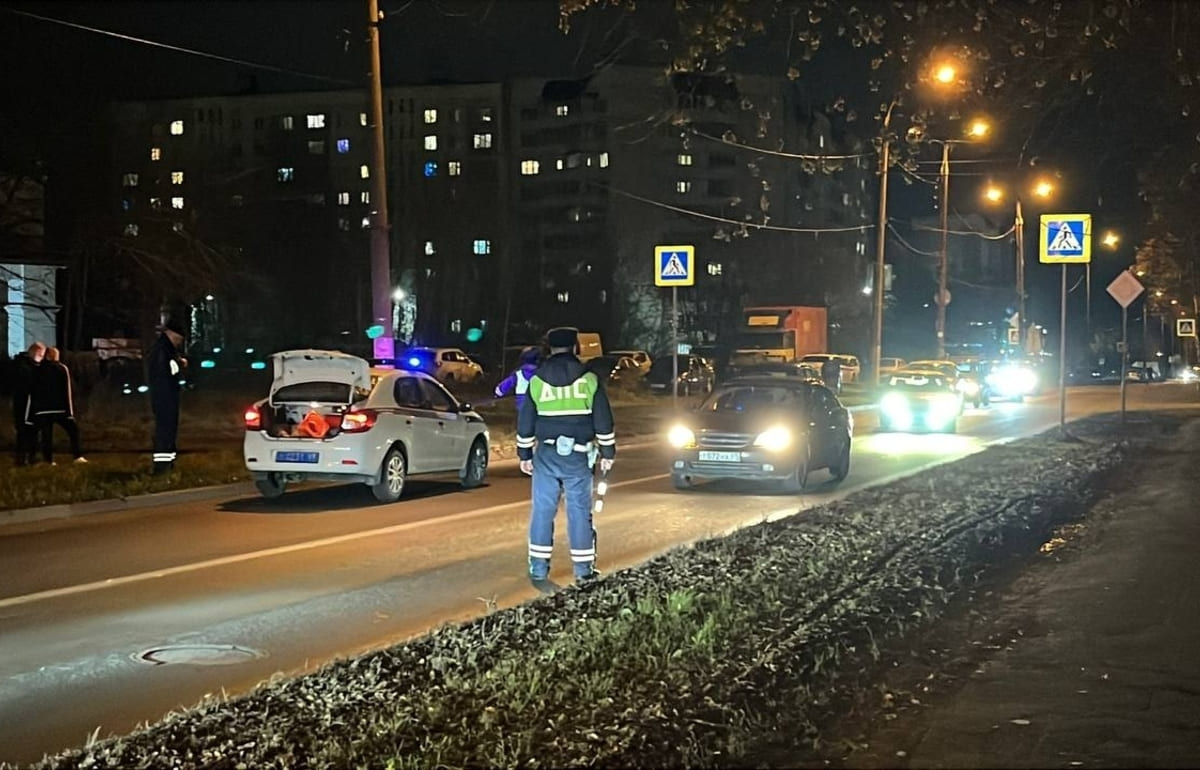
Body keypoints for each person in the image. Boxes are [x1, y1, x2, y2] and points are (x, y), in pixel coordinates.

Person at [516, 326, 616, 584]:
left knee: (542, 511)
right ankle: (583, 571)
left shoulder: (537, 380)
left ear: (550, 348)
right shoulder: (589, 379)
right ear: (576, 347)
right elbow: (603, 420)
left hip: (546, 455)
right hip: (578, 456)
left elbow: (526, 421)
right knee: (579, 512)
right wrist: (607, 451)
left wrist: (524, 454)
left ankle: (538, 569)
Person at [30, 347, 86, 464]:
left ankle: (48, 459)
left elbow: (33, 390)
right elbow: (67, 390)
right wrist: (69, 412)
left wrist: (34, 409)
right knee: (73, 431)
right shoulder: (61, 368)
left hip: (43, 410)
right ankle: (77, 456)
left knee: (47, 436)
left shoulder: (37, 369)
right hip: (59, 409)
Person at [147, 318, 188, 475]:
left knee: (168, 429)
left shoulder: (166, 350)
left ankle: (167, 463)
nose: (179, 342)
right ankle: (162, 467)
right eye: (178, 338)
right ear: (171, 334)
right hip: (165, 396)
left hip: (166, 395)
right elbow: (165, 373)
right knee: (165, 429)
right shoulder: (164, 350)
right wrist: (179, 366)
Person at [10, 342, 46, 466]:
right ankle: (23, 457)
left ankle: (30, 456)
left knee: (32, 431)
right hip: (25, 404)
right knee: (25, 431)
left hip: (30, 404)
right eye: (40, 355)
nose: (41, 357)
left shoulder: (27, 365)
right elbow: (27, 385)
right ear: (34, 353)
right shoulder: (24, 366)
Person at [493, 347, 540, 412]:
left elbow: (505, 385)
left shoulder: (518, 373)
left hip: (522, 403)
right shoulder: (543, 372)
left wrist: (498, 393)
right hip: (539, 401)